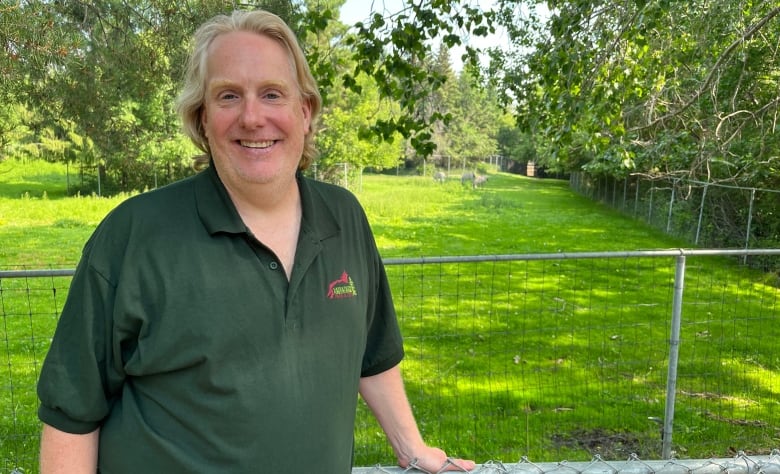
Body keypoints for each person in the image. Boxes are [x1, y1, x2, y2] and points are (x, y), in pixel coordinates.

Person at [36, 9, 476, 474]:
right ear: (202, 118)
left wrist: (411, 448)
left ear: (305, 112)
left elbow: (373, 352)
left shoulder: (344, 218)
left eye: (272, 94)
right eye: (228, 96)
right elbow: (71, 413)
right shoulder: (133, 236)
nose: (252, 117)